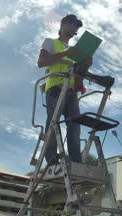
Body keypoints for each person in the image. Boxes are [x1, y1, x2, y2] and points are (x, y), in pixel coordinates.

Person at [37, 14, 93, 165]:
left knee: (75, 126)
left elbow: (78, 80)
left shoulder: (77, 52)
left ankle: (75, 161)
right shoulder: (51, 42)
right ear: (62, 24)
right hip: (55, 89)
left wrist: (85, 66)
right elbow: (42, 62)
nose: (74, 27)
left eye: (76, 26)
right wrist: (66, 53)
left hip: (71, 92)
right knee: (53, 124)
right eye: (71, 23)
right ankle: (52, 160)